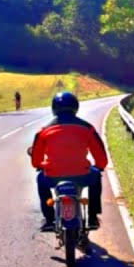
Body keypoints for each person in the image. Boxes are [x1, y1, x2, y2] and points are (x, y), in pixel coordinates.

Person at [29, 91, 108, 232]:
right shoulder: (87, 128)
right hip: (82, 175)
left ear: (54, 108)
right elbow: (101, 158)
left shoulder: (43, 131)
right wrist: (99, 166)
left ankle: (49, 219)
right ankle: (92, 217)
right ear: (75, 107)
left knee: (40, 179)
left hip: (53, 176)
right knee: (96, 176)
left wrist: (41, 166)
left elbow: (36, 161)